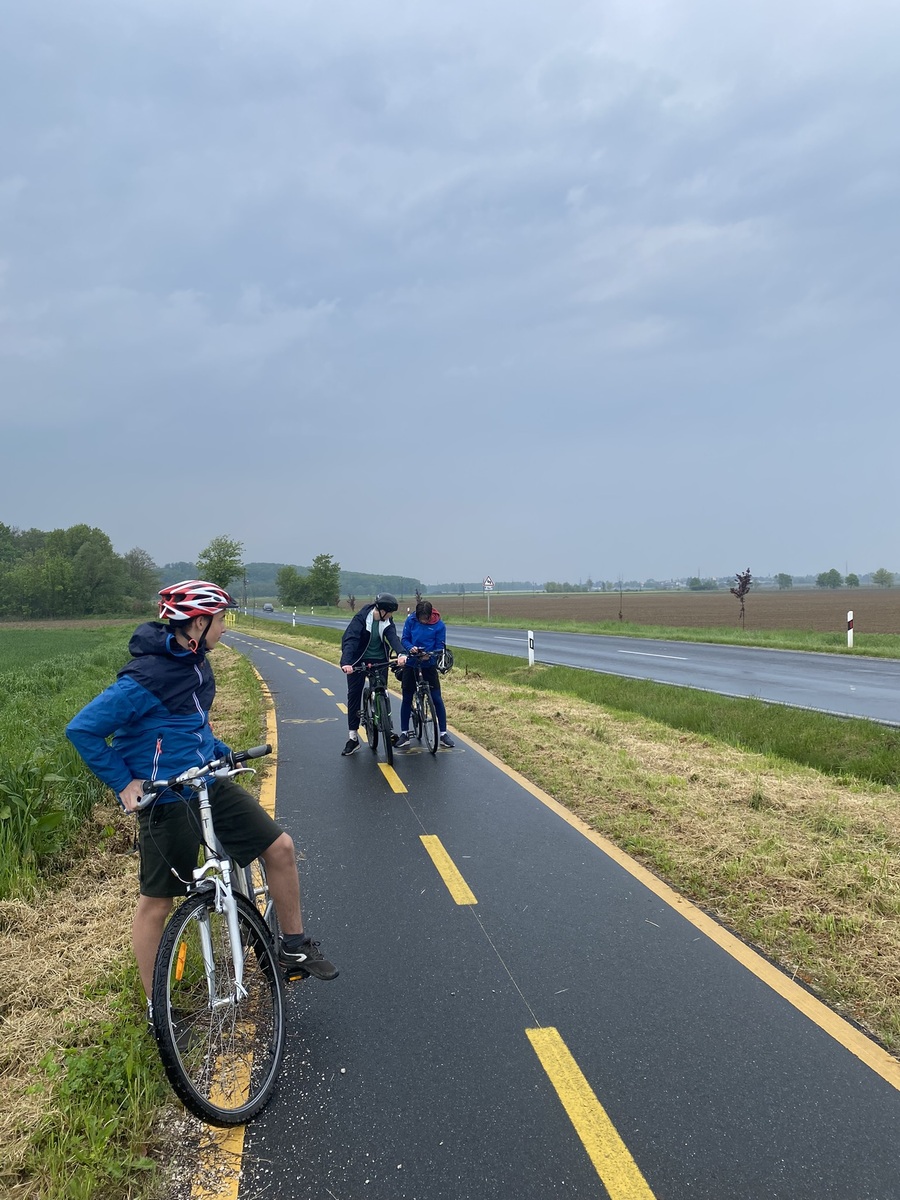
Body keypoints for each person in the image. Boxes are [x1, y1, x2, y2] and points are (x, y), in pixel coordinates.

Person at [66, 579, 338, 1018]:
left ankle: (292, 946)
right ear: (198, 623)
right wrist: (124, 782)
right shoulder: (145, 679)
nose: (225, 628)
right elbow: (82, 729)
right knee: (158, 902)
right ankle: (157, 1007)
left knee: (281, 848)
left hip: (206, 784)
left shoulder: (196, 664)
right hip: (167, 798)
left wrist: (219, 752)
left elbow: (192, 725)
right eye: (222, 619)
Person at [339, 592, 407, 755]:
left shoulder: (387, 620)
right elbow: (351, 640)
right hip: (357, 659)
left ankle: (387, 727)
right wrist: (346, 662)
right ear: (382, 611)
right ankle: (353, 737)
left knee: (382, 691)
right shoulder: (361, 619)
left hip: (379, 659)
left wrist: (401, 653)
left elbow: (393, 638)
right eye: (389, 613)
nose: (391, 616)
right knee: (354, 694)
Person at [396, 600, 455, 749]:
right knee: (407, 698)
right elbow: (405, 639)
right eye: (420, 618)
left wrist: (430, 655)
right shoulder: (411, 620)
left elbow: (440, 646)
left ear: (430, 615)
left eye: (425, 618)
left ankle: (443, 734)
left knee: (436, 698)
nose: (422, 621)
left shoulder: (439, 625)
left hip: (429, 664)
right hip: (412, 663)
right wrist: (411, 648)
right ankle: (404, 734)